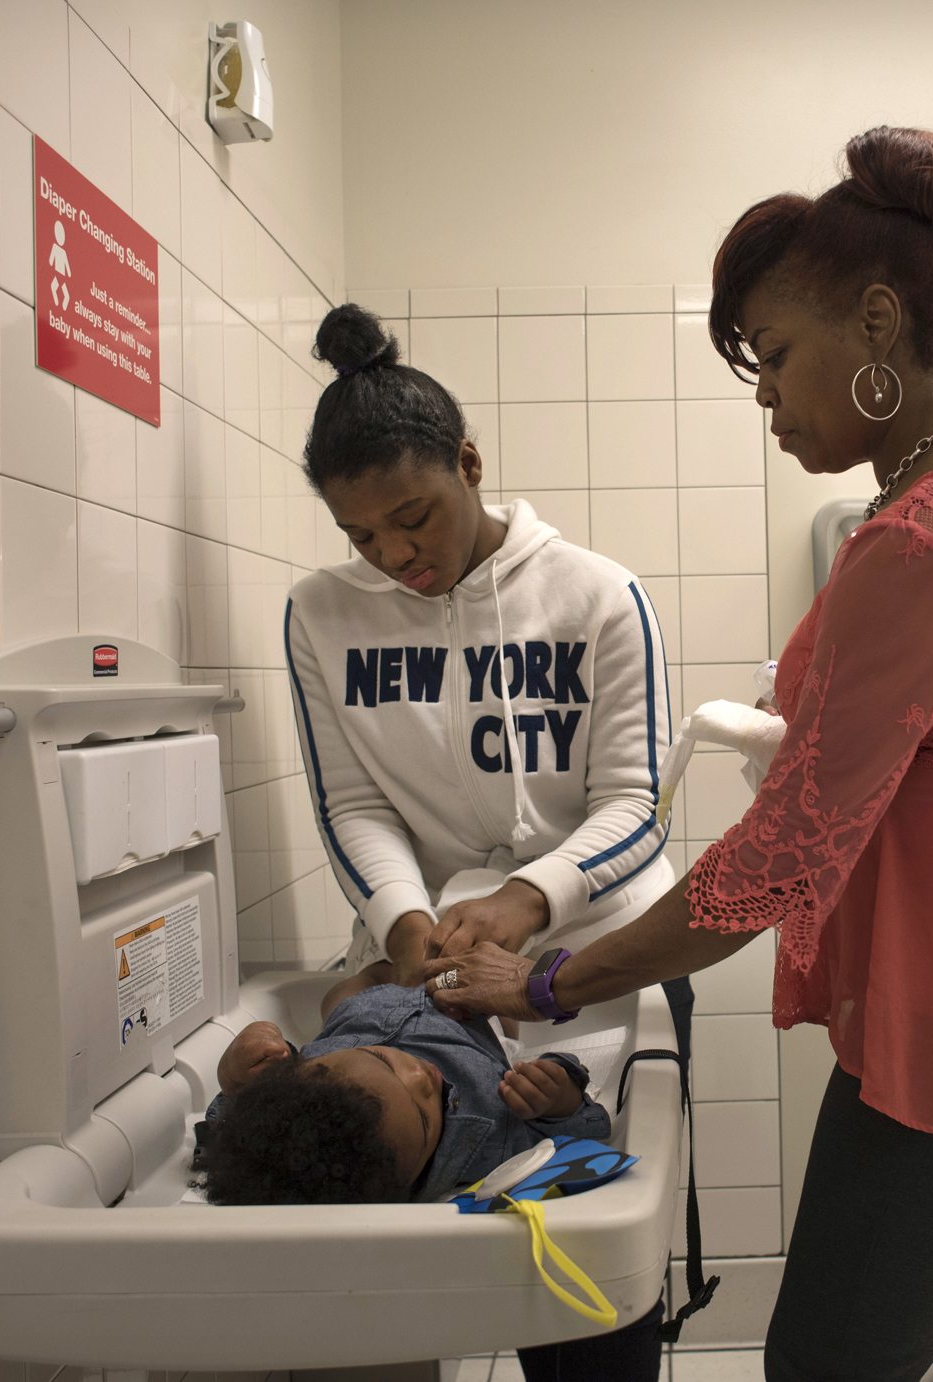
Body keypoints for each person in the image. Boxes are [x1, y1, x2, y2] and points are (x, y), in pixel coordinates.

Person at [419, 126, 933, 1382]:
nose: (766, 399)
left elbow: (774, 868)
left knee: (829, 1361)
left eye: (777, 357)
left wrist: (549, 981)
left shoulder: (925, 536)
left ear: (881, 322)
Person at [283, 305, 686, 1377]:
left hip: (596, 952)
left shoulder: (598, 595)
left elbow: (637, 802)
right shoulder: (320, 613)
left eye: (412, 516)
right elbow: (351, 802)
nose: (393, 553)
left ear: (468, 462)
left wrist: (528, 897)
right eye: (361, 536)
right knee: (409, 1265)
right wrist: (400, 917)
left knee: (587, 1264)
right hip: (435, 962)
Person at [200, 961, 611, 1207]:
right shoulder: (486, 1140)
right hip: (464, 1011)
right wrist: (560, 1094)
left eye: (382, 1060)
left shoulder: (299, 1102)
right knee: (499, 1011)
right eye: (424, 1114)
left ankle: (379, 967)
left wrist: (239, 1075)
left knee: (343, 996)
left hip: (361, 1012)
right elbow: (585, 1133)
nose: (421, 1075)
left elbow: (237, 1125)